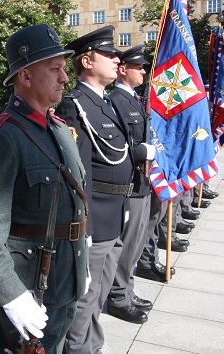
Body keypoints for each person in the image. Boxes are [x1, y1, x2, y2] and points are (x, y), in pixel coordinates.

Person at [0, 24, 88, 353]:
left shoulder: (60, 130)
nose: (65, 77)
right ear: (26, 76)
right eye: (55, 69)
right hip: (29, 287)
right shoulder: (2, 138)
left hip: (65, 279)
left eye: (64, 69)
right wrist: (10, 295)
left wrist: (83, 261)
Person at [55, 25, 134, 354]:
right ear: (87, 61)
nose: (118, 59)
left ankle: (93, 345)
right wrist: (82, 222)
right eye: (110, 54)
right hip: (95, 218)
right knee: (86, 297)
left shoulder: (106, 102)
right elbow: (78, 174)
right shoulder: (76, 105)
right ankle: (78, 349)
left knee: (100, 293)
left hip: (114, 212)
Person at [106, 45, 156, 324]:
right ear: (123, 69)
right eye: (139, 67)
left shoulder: (135, 99)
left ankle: (127, 287)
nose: (144, 72)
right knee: (126, 244)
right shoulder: (116, 100)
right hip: (130, 184)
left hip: (143, 181)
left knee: (136, 242)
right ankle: (118, 296)